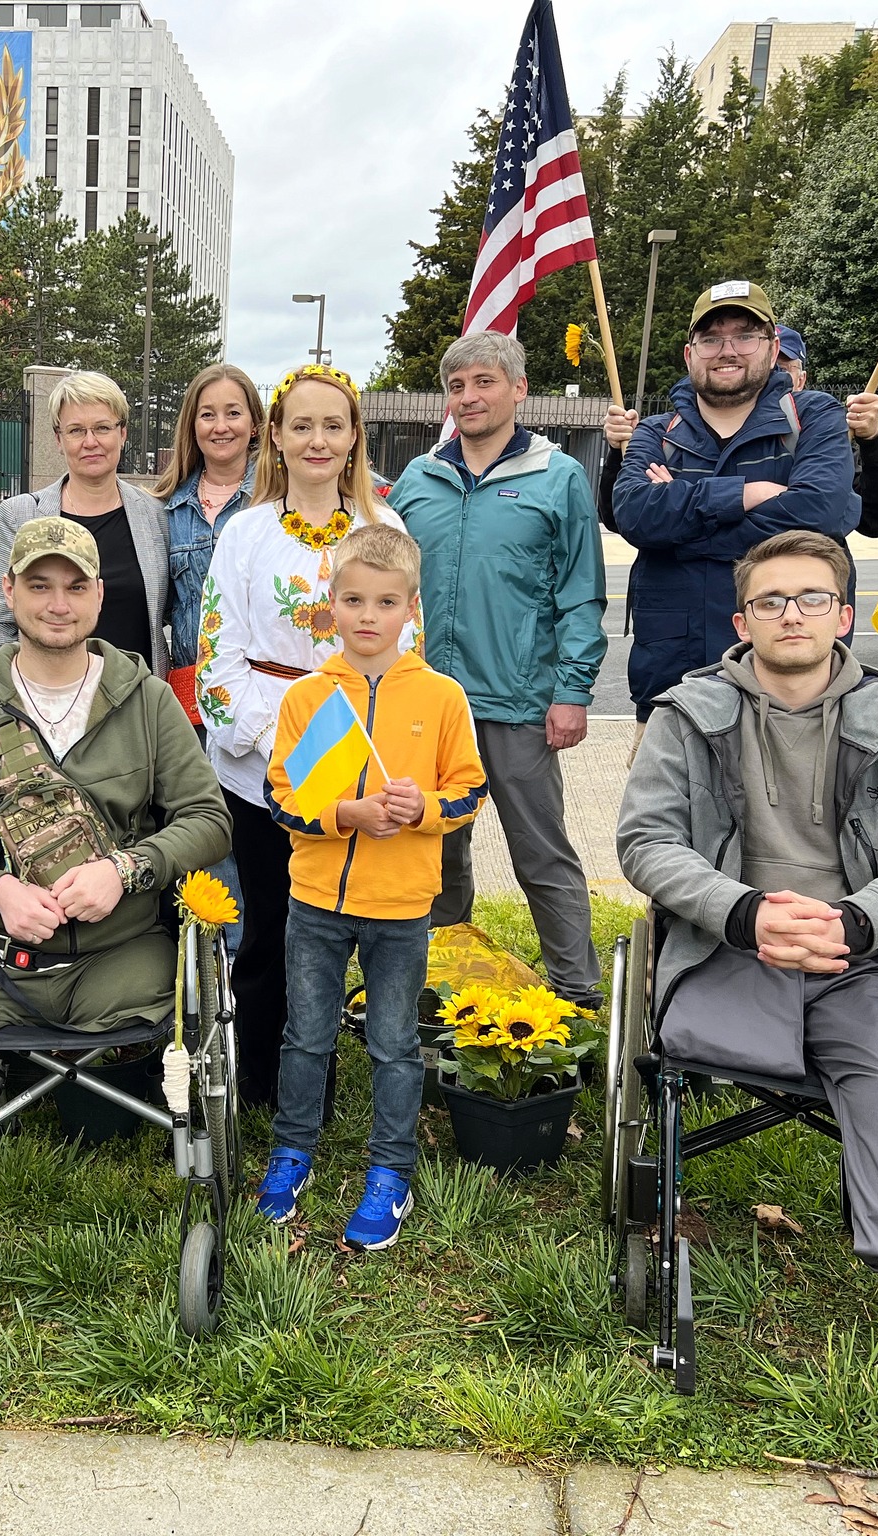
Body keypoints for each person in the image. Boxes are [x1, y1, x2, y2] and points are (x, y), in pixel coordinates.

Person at [616, 530, 878, 1285]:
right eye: (769, 601)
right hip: (726, 952)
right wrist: (746, 914)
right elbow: (646, 842)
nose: (791, 614)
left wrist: (855, 919)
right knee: (692, 1036)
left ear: (843, 615)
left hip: (864, 963)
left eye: (812, 598)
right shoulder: (686, 715)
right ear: (741, 622)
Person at [0, 518, 230, 1031]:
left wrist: (124, 871)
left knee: (101, 1109)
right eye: (39, 586)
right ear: (8, 591)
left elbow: (209, 819)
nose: (58, 605)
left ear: (98, 595)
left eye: (75, 587)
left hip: (122, 961)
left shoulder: (149, 699)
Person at [258, 524, 487, 1250]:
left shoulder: (443, 697)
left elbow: (469, 789)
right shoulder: (309, 698)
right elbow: (283, 797)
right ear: (330, 604)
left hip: (399, 908)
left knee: (393, 1043)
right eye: (353, 599)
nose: (367, 616)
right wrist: (342, 816)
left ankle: (391, 1170)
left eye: (385, 602)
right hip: (316, 900)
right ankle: (292, 1152)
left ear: (410, 607)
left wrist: (422, 809)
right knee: (306, 1037)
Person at [196, 364, 414, 1109]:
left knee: (327, 931)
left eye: (333, 424)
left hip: (350, 761)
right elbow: (217, 653)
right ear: (276, 438)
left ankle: (316, 1077)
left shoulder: (384, 533)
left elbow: (404, 649)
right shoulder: (245, 532)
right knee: (265, 931)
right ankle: (261, 1079)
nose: (317, 439)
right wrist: (276, 746)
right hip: (257, 765)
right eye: (301, 425)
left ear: (355, 437)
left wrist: (333, 757)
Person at [393, 330, 606, 1009]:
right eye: (457, 386)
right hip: (429, 707)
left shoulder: (557, 477)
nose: (469, 397)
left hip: (518, 704)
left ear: (518, 390)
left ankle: (577, 994)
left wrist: (571, 691)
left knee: (539, 852)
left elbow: (580, 592)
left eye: (484, 382)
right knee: (436, 854)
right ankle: (441, 981)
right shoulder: (417, 481)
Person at [610, 281, 859, 725]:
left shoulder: (814, 416)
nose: (728, 350)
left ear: (772, 346)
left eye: (745, 335)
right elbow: (634, 515)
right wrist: (749, 493)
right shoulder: (655, 431)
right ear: (690, 354)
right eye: (711, 339)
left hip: (792, 698)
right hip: (671, 692)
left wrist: (679, 529)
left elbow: (816, 514)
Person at [0, 372, 169, 679]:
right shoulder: (21, 514)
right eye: (76, 430)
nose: (90, 442)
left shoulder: (156, 516)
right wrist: (4, 700)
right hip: (45, 702)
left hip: (136, 704)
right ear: (58, 439)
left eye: (103, 428)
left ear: (122, 433)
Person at [154, 363, 264, 711]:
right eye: (207, 415)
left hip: (262, 692)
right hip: (194, 696)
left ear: (255, 424)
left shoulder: (279, 501)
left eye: (233, 413)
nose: (220, 427)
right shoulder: (167, 508)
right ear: (193, 425)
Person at [776, 326, 878, 539]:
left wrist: (874, 440)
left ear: (800, 380)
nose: (771, 377)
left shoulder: (822, 432)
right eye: (764, 366)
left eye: (781, 369)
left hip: (816, 566)